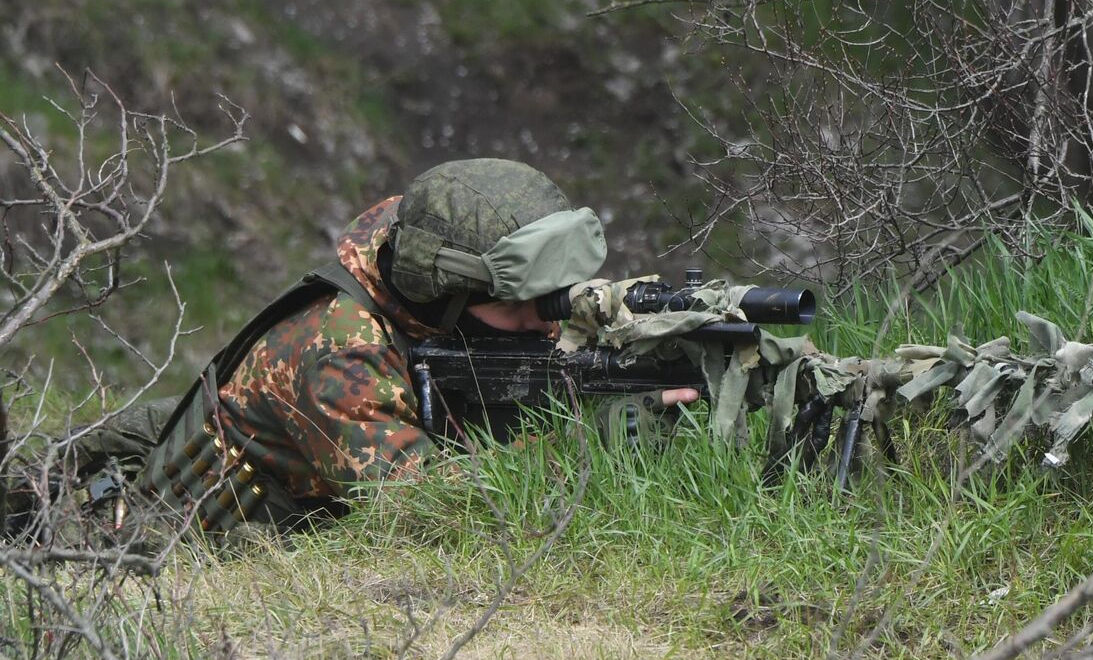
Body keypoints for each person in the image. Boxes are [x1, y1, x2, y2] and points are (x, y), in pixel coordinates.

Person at [77, 158, 695, 540]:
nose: (545, 323)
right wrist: (592, 442)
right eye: (522, 304)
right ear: (448, 291)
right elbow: (426, 504)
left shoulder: (416, 264)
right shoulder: (340, 352)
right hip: (178, 536)